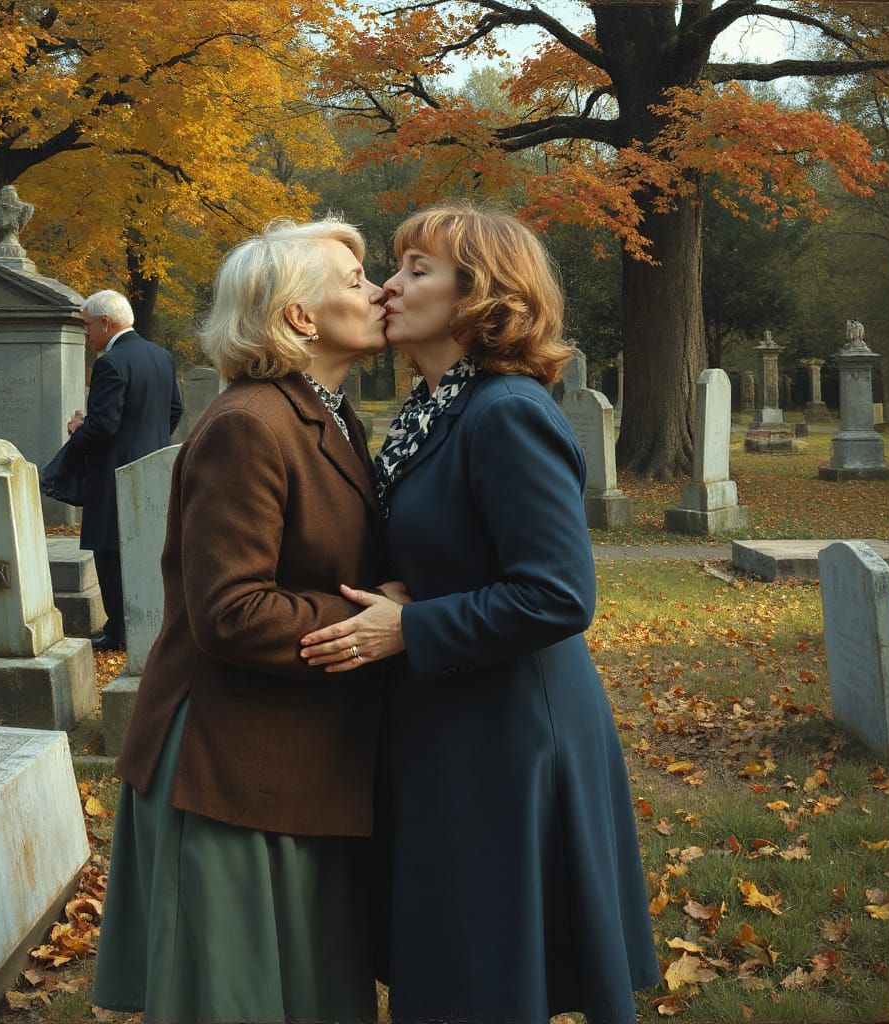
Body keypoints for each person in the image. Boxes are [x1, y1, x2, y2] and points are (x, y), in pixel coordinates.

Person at [301, 204, 661, 1024]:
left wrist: (411, 624)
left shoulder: (507, 412)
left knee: (489, 971)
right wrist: (403, 589)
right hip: (453, 721)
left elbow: (560, 593)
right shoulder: (430, 412)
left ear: (479, 294)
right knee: (459, 962)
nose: (389, 287)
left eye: (416, 270)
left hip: (511, 733)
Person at [92, 217, 391, 1023]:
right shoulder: (249, 425)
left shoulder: (325, 413)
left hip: (290, 755)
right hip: (227, 770)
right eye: (358, 278)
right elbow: (232, 611)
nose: (380, 289)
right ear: (300, 316)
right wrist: (375, 620)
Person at [66, 290, 182, 651]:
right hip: (154, 469)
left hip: (113, 475)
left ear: (105, 323)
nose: (86, 335)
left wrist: (77, 429)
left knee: (109, 551)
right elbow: (174, 410)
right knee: (150, 548)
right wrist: (150, 444)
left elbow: (103, 426)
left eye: (87, 326)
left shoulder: (110, 362)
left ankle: (120, 632)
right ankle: (153, 620)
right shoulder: (162, 357)